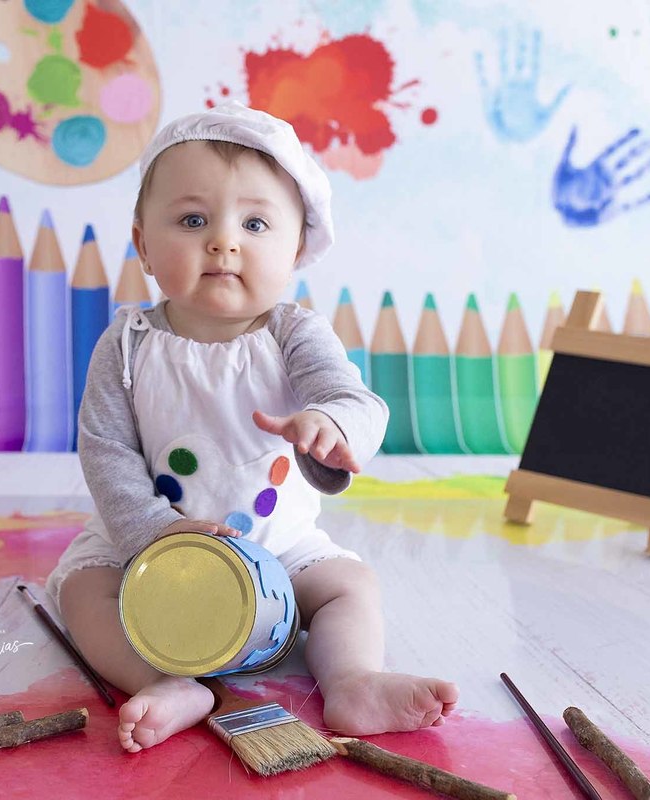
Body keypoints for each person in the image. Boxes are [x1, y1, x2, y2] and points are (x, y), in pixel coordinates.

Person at [45, 103, 458, 753]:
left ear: (295, 248)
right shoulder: (125, 344)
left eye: (255, 222)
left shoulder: (293, 334)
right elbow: (106, 451)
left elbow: (356, 401)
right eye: (192, 220)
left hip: (279, 546)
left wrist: (328, 422)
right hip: (151, 552)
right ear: (144, 243)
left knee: (349, 587)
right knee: (84, 593)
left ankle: (351, 681)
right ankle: (168, 681)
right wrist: (153, 532)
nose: (224, 241)